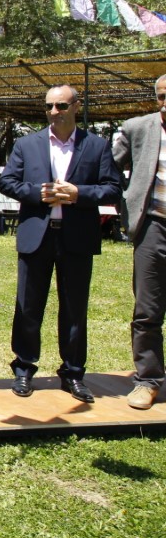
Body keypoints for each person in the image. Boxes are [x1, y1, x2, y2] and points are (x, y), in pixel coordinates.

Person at [0, 85, 121, 402]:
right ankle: (24, 369)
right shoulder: (28, 144)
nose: (54, 112)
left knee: (74, 308)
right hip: (36, 235)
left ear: (76, 107)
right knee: (28, 306)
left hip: (76, 237)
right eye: (49, 106)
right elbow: (7, 182)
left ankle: (73, 373)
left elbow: (112, 188)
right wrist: (37, 192)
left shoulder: (96, 146)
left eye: (61, 106)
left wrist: (79, 194)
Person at [114, 74, 166, 410]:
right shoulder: (137, 128)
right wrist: (127, 201)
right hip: (153, 228)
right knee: (147, 310)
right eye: (161, 96)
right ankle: (148, 381)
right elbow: (107, 168)